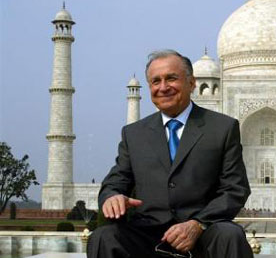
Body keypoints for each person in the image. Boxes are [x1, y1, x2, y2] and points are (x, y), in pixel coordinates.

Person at [87, 50, 253, 258]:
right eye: (155, 81)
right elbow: (115, 181)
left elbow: (235, 188)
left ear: (192, 83)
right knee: (104, 236)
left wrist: (198, 224)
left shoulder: (221, 128)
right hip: (149, 233)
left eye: (171, 78)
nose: (163, 87)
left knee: (229, 234)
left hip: (203, 232)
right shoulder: (134, 133)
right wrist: (112, 197)